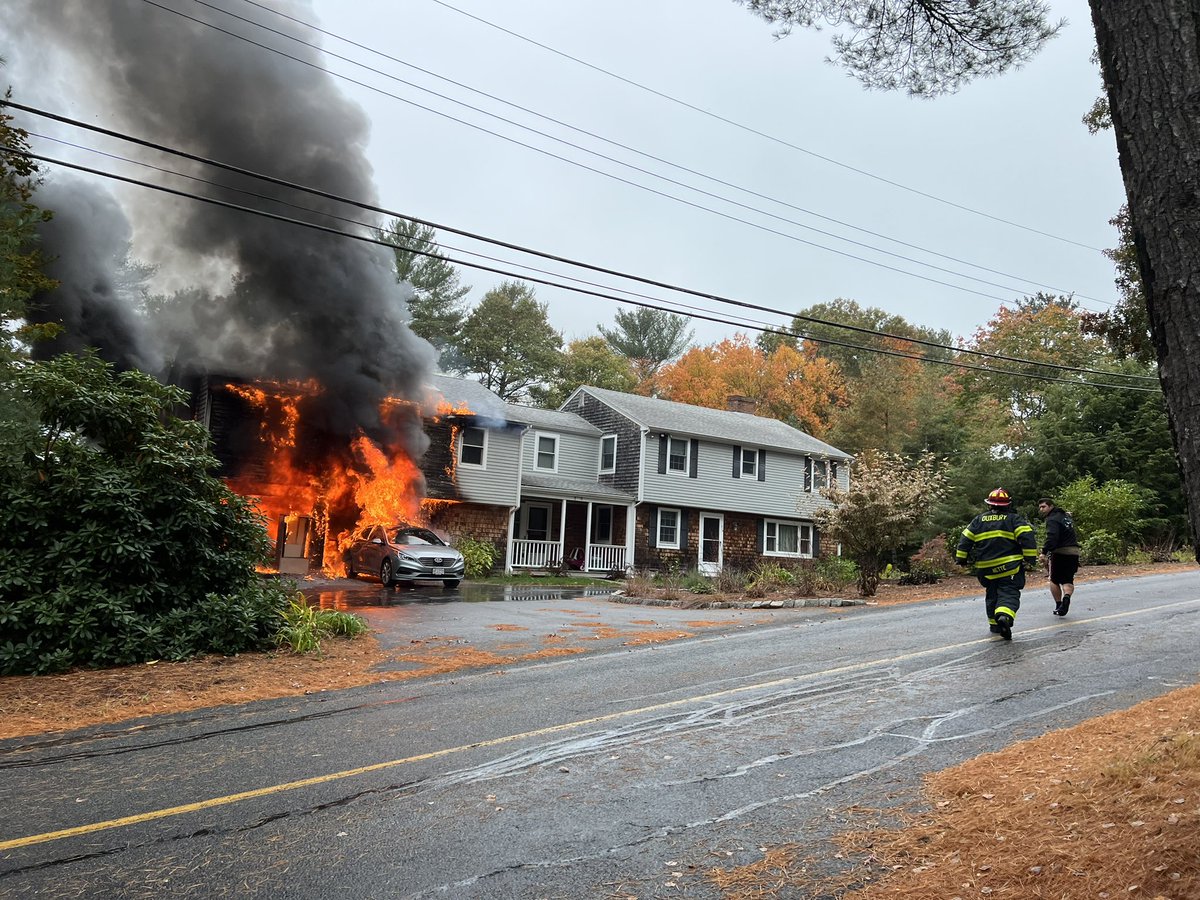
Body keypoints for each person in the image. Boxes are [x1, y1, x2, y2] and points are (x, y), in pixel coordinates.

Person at [956, 488, 1039, 640]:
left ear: (989, 505)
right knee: (1009, 592)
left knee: (992, 594)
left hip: (985, 569)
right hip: (1009, 567)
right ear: (1007, 505)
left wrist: (961, 559)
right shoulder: (1014, 519)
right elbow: (1027, 538)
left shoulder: (978, 520)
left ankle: (995, 626)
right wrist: (1030, 559)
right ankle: (1004, 617)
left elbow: (965, 539)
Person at [1038, 497, 1081, 616]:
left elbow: (1052, 537)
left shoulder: (1052, 519)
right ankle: (1066, 598)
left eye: (1044, 507)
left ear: (1051, 506)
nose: (1042, 509)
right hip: (1074, 552)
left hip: (1060, 552)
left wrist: (1044, 552)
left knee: (1054, 579)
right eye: (1040, 507)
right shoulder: (1065, 516)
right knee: (1068, 579)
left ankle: (1058, 605)